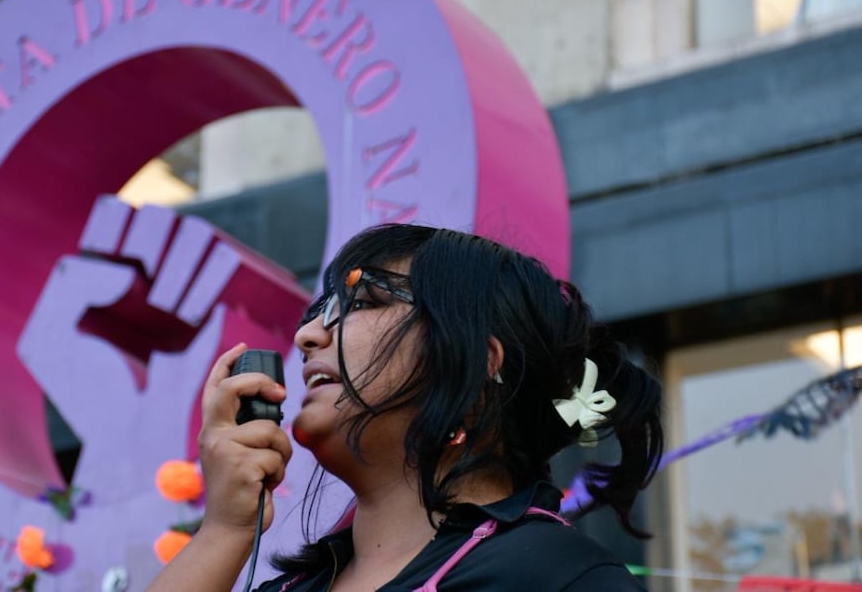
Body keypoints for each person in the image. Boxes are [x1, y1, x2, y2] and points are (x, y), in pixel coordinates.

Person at [147, 224, 663, 591]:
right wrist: (225, 531)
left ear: (479, 363)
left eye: (363, 301)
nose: (307, 335)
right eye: (318, 311)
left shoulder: (560, 577)